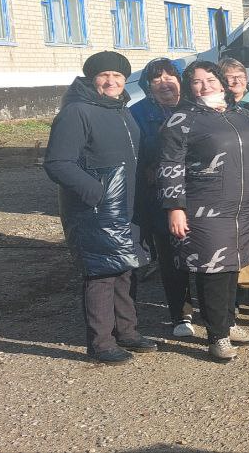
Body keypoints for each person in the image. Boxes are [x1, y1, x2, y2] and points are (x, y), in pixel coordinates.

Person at [158, 60, 249, 361]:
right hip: (205, 208)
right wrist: (175, 207)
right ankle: (217, 336)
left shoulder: (245, 116)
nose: (205, 86)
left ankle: (228, 323)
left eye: (210, 79)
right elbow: (170, 166)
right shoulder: (182, 120)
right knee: (212, 269)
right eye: (197, 81)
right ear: (190, 87)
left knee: (232, 267)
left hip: (245, 207)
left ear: (221, 82)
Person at [44, 51, 157, 364]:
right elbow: (57, 163)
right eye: (104, 75)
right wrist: (96, 192)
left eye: (118, 76)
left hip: (128, 206)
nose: (112, 81)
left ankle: (128, 331)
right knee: (102, 275)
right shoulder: (77, 111)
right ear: (91, 78)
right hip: (96, 210)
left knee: (127, 269)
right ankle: (101, 343)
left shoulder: (122, 109)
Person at [128, 58, 196, 337]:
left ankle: (214, 308)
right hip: (161, 198)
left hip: (200, 194)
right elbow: (132, 154)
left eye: (171, 75)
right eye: (156, 78)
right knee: (171, 256)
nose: (165, 82)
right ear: (147, 85)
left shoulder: (195, 108)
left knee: (204, 253)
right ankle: (180, 314)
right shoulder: (136, 114)